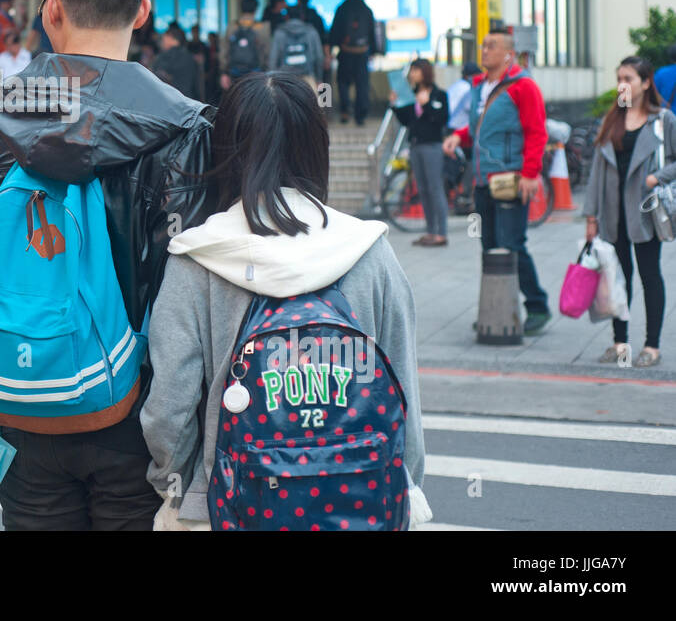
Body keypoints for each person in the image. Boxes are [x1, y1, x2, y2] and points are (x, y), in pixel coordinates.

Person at [0, 0, 215, 531]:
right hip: (138, 405)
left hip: (19, 392)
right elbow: (194, 279)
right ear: (141, 11)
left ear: (48, 7)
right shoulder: (188, 127)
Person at [140, 73, 425, 530]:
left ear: (226, 150)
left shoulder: (198, 259)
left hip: (228, 507)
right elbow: (403, 389)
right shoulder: (371, 252)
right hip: (362, 502)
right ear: (316, 146)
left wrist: (178, 490)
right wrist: (405, 483)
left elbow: (169, 413)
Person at [443, 30, 550, 334]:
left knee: (511, 243)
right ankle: (497, 305)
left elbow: (536, 132)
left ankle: (537, 306)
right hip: (481, 180)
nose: (485, 50)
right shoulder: (478, 85)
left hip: (510, 178)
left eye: (492, 46)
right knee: (489, 246)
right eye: (483, 44)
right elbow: (477, 129)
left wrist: (530, 174)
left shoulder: (523, 87)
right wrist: (457, 137)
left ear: (508, 55)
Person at [583, 56, 675, 368]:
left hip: (646, 213)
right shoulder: (612, 120)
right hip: (612, 213)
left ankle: (652, 345)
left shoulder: (662, 120)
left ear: (646, 83)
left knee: (650, 276)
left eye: (629, 78)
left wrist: (657, 177)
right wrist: (591, 217)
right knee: (615, 278)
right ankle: (620, 343)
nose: (622, 84)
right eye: (619, 78)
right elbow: (597, 171)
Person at [390, 59, 451, 246]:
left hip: (432, 146)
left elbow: (441, 119)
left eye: (415, 70)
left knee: (435, 188)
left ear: (425, 72)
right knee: (423, 190)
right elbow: (407, 121)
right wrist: (395, 105)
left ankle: (441, 232)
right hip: (415, 146)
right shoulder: (412, 94)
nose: (412, 74)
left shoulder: (439, 94)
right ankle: (430, 231)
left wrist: (426, 105)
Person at [329, 0, 378, 126]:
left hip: (346, 52)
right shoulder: (366, 9)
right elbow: (372, 33)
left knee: (343, 83)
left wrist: (330, 48)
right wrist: (373, 52)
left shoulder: (342, 8)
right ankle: (360, 116)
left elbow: (334, 31)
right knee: (362, 85)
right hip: (362, 53)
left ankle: (345, 112)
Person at [268, 8, 325, 90]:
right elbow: (319, 57)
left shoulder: (279, 32)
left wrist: (272, 80)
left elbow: (273, 58)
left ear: (286, 17)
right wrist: (319, 78)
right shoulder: (311, 31)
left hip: (285, 80)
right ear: (302, 16)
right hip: (307, 77)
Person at [222, 0, 270, 91]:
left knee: (236, 99)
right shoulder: (263, 28)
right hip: (256, 72)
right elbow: (267, 52)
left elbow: (224, 51)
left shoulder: (232, 27)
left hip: (234, 72)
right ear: (256, 9)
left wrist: (224, 72)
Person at [151, 22, 205, 101]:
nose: (162, 42)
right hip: (189, 102)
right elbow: (197, 87)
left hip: (168, 102)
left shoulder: (163, 58)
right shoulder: (191, 58)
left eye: (163, 38)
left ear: (170, 38)